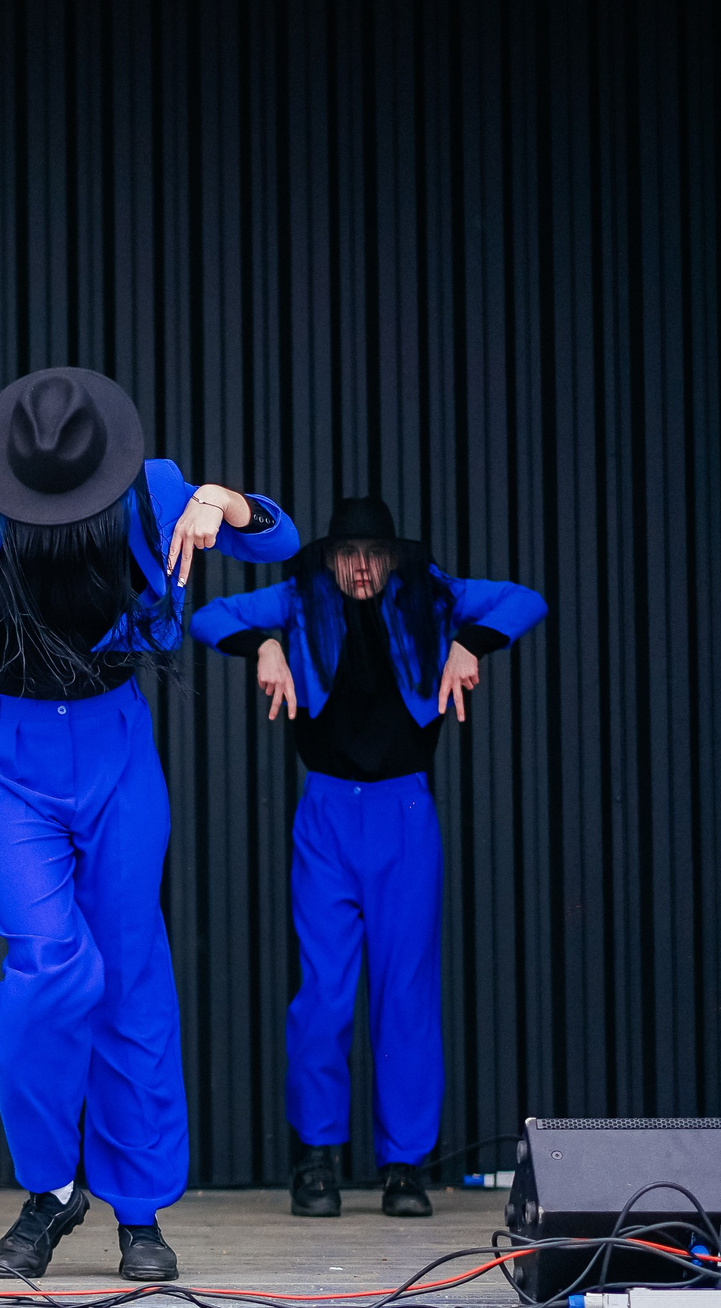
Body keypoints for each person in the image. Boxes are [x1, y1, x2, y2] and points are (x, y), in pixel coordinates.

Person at [0, 368, 298, 1281]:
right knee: (50, 969)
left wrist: (225, 502)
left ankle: (139, 1208)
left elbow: (277, 533)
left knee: (128, 970)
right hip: (10, 759)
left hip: (116, 744)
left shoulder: (150, 486)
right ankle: (49, 1190)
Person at [190, 496, 546, 1218]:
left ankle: (404, 1166)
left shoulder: (433, 596)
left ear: (392, 558)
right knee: (322, 993)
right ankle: (315, 1159)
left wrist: (471, 641)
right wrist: (263, 645)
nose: (360, 568)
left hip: (404, 812)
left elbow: (525, 599)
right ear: (328, 557)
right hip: (326, 813)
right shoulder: (298, 598)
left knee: (404, 994)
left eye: (374, 555)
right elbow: (208, 618)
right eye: (348, 554)